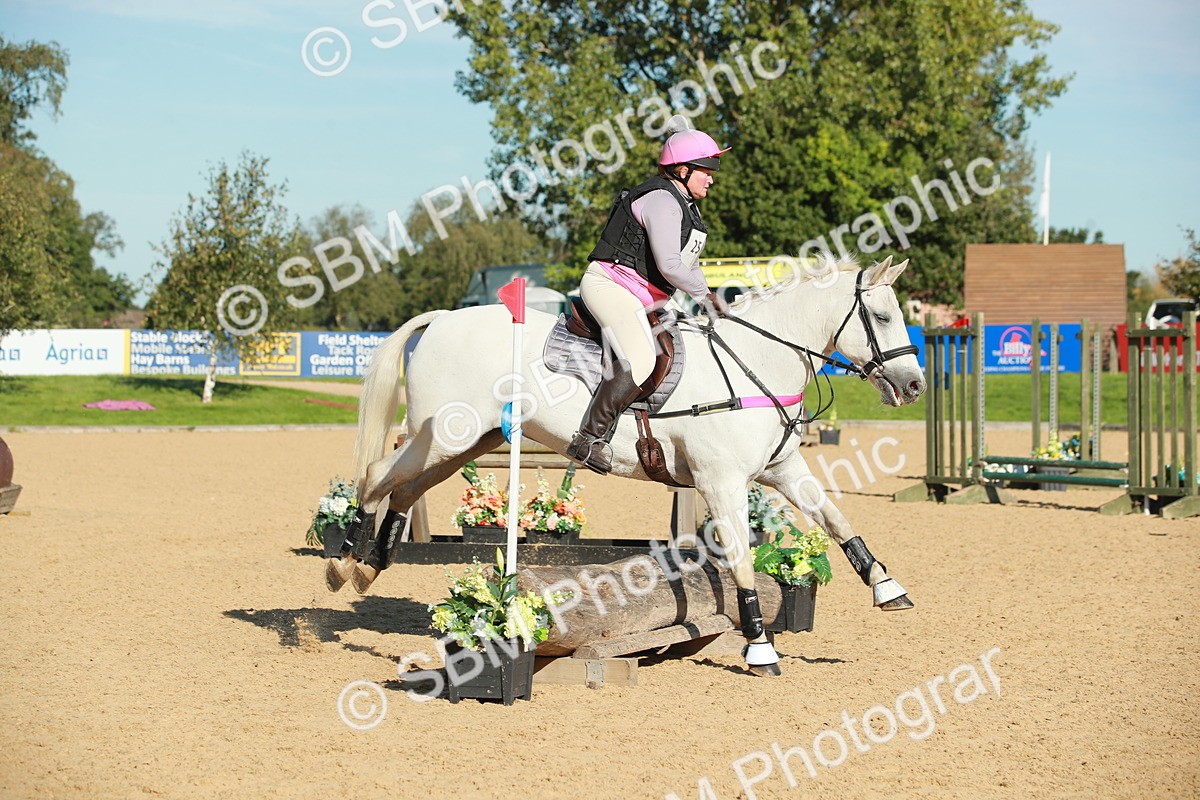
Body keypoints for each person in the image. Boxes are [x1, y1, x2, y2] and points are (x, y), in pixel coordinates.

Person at [565, 115, 732, 475]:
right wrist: (704, 294)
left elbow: (687, 265)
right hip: (609, 285)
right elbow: (671, 266)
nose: (713, 177)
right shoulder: (661, 200)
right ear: (684, 169)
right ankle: (589, 438)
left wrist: (709, 297)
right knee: (642, 356)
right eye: (708, 169)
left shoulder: (688, 210)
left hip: (644, 296)